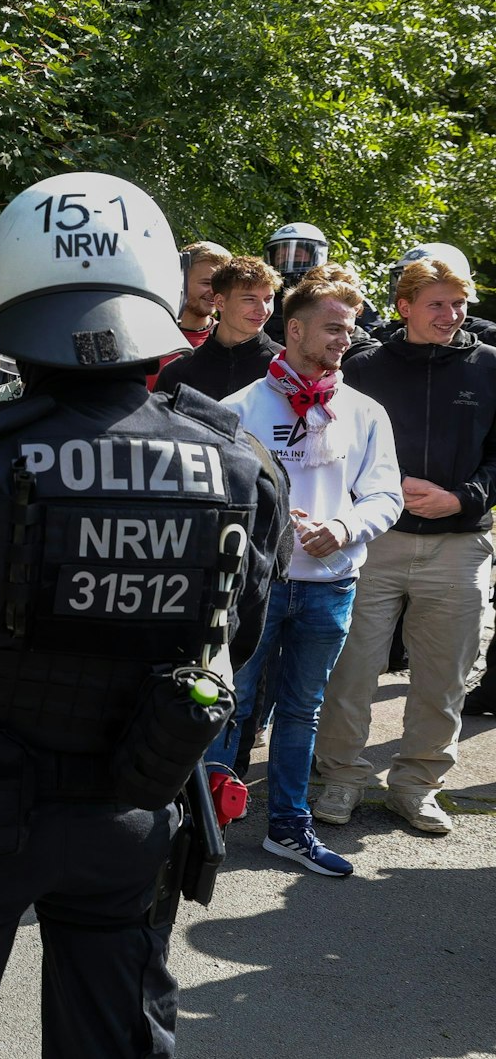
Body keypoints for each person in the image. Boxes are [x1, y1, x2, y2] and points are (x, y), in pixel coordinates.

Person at [0, 171, 284, 1058]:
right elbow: (234, 638)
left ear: (3, 294)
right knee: (113, 1030)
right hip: (134, 799)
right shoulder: (239, 466)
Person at [205, 275, 401, 879]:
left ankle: (288, 828)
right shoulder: (239, 408)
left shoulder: (365, 412)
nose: (347, 338)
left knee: (301, 710)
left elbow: (386, 496)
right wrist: (268, 521)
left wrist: (343, 529)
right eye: (334, 327)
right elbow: (214, 496)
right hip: (257, 587)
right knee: (226, 704)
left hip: (331, 587)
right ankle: (196, 822)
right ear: (294, 330)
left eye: (350, 327)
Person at [315, 256, 494, 836]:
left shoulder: (489, 366)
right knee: (351, 672)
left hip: (458, 546)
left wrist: (464, 498)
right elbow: (333, 445)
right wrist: (383, 488)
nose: (451, 314)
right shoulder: (363, 367)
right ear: (404, 307)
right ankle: (341, 779)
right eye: (437, 303)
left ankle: (417, 786)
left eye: (459, 303)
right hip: (374, 543)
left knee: (443, 678)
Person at [152, 256, 282, 401]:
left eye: (268, 299)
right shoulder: (177, 372)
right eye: (249, 299)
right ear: (220, 302)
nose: (263, 310)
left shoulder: (287, 369)